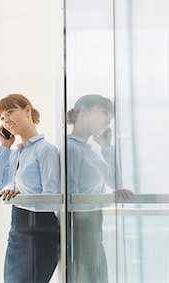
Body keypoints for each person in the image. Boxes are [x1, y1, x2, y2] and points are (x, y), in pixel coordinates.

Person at [0, 93, 60, 283]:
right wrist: (5, 146)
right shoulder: (14, 153)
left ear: (27, 109)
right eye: (2, 118)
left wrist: (22, 196)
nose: (6, 120)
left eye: (10, 112)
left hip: (41, 231)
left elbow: (52, 199)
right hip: (18, 229)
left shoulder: (45, 150)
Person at [66, 94, 132, 283]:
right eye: (105, 113)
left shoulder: (89, 151)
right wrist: (106, 198)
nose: (108, 120)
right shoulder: (72, 148)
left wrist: (106, 147)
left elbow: (116, 183)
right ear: (84, 111)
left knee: (97, 276)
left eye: (110, 117)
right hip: (81, 226)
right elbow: (71, 198)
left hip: (93, 223)